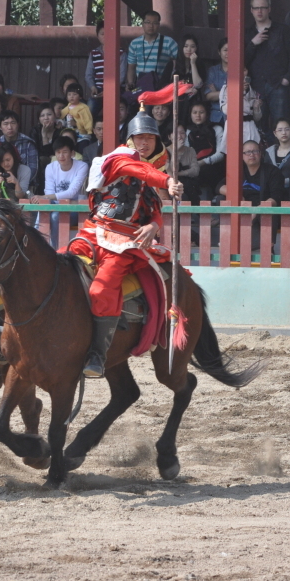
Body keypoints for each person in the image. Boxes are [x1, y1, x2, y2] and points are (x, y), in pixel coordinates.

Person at [65, 106, 185, 378]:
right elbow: (140, 171)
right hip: (94, 231)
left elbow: (154, 209)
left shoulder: (151, 172)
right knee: (60, 264)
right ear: (129, 140)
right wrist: (167, 180)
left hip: (125, 241)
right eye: (140, 137)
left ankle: (97, 353)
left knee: (102, 289)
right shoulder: (119, 160)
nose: (144, 143)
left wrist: (154, 226)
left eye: (150, 138)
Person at [245, 0, 290, 129]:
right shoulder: (247, 34)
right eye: (256, 8)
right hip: (256, 86)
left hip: (278, 85)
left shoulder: (283, 30)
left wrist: (287, 78)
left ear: (269, 9)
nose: (259, 11)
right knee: (257, 126)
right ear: (251, 10)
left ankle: (280, 150)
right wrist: (252, 44)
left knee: (281, 125)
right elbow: (241, 61)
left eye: (263, 7)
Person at [42, 136, 89, 242]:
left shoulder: (82, 166)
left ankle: (56, 252)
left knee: (54, 217)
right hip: (56, 205)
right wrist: (47, 197)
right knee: (43, 212)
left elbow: (71, 192)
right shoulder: (50, 167)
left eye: (65, 152)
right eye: (58, 152)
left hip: (75, 209)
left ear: (72, 153)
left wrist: (46, 197)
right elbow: (49, 192)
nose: (61, 156)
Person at [218, 139, 285, 207]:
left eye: (255, 151)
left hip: (263, 212)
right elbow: (219, 186)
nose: (251, 155)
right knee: (220, 198)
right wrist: (236, 196)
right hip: (241, 209)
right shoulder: (239, 171)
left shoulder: (272, 171)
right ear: (242, 155)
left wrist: (257, 211)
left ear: (260, 153)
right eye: (248, 152)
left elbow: (276, 197)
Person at [126, 10, 179, 90]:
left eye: (154, 23)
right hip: (140, 86)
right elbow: (131, 67)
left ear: (159, 25)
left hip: (160, 86)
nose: (151, 26)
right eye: (148, 22)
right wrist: (130, 84)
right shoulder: (134, 43)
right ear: (143, 24)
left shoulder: (169, 42)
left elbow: (180, 60)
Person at [85, 20, 126, 118]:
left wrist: (109, 90)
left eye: (109, 33)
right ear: (97, 36)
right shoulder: (94, 53)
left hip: (117, 89)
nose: (106, 36)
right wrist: (92, 87)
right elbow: (88, 74)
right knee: (88, 112)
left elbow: (122, 75)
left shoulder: (121, 53)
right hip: (98, 90)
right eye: (102, 34)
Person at [187, 102, 225, 201]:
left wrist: (203, 162)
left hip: (214, 167)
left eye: (201, 112)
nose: (198, 115)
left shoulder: (217, 128)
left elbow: (221, 154)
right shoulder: (188, 131)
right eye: (194, 112)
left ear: (207, 114)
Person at [264, 117, 290, 189]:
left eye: (287, 129)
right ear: (275, 133)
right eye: (280, 130)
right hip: (274, 191)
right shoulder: (269, 152)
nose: (284, 133)